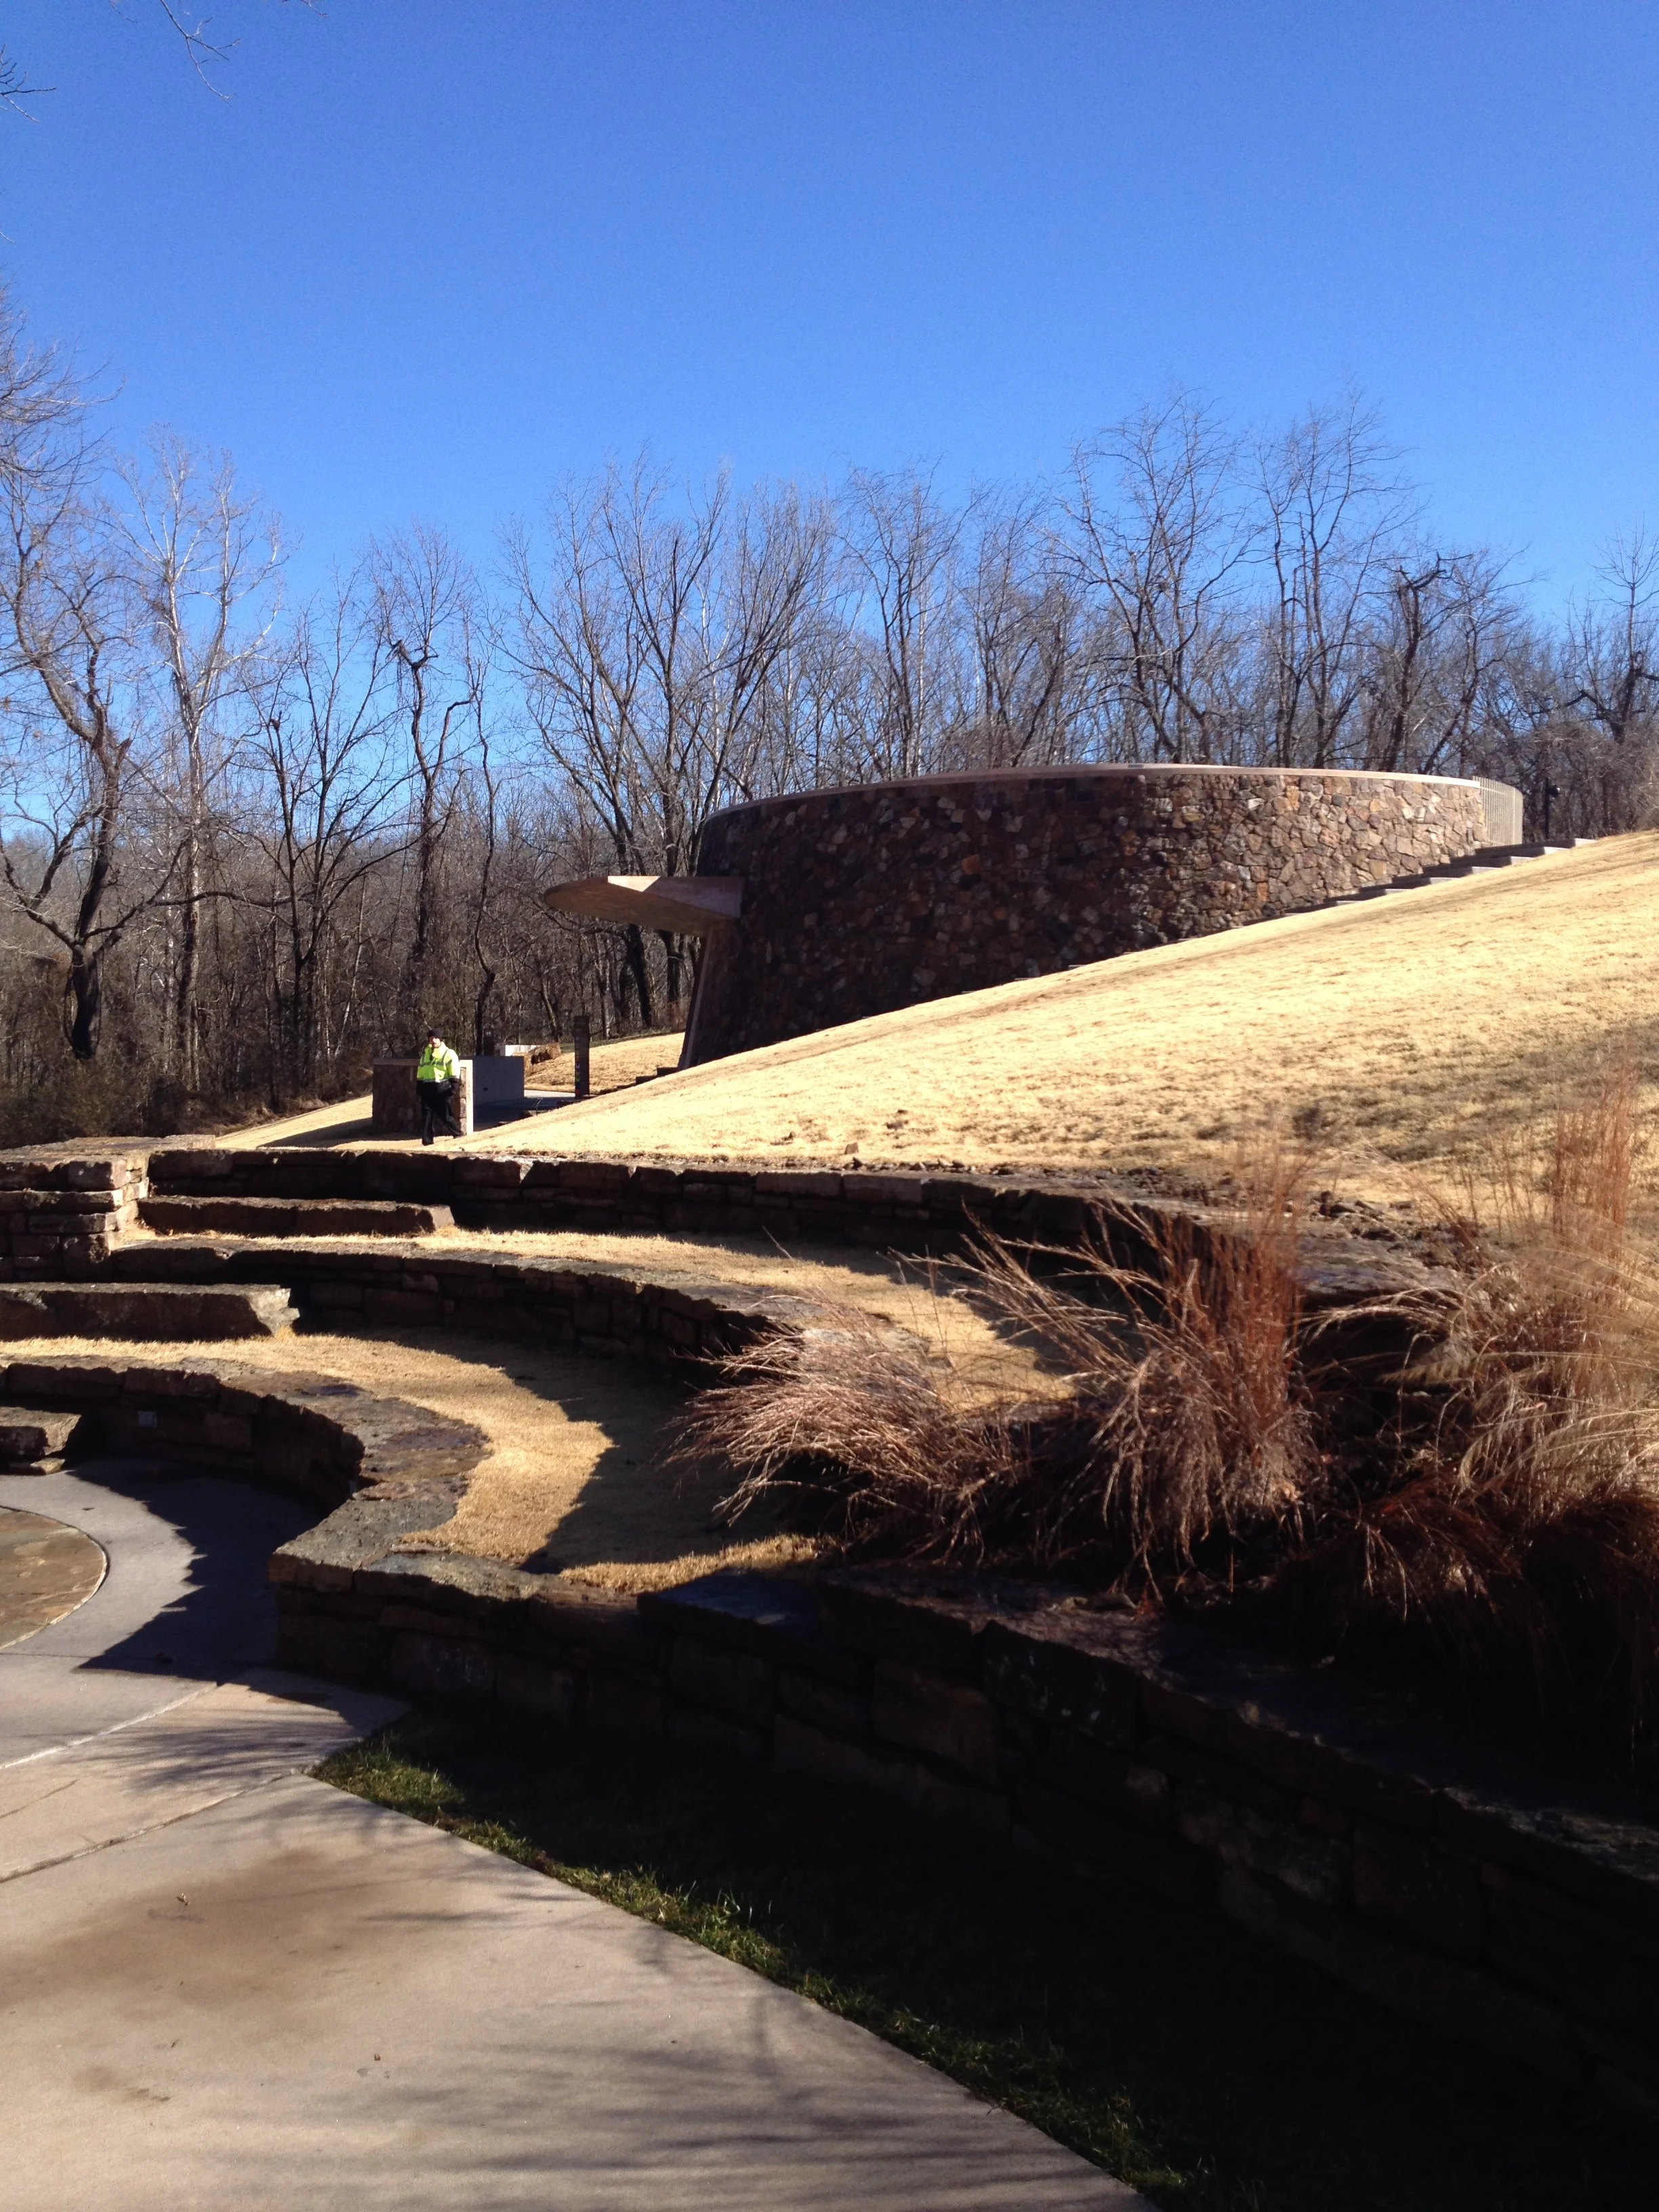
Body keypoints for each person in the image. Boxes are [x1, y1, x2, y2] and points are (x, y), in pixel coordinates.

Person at [415, 1029, 462, 1145]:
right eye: (431, 1038)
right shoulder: (425, 1055)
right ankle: (427, 1141)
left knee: (446, 1115)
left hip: (443, 1089)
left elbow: (454, 1071)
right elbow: (421, 1071)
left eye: (436, 1038)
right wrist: (420, 1086)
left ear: (440, 1039)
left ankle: (458, 1134)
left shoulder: (449, 1053)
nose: (433, 1040)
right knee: (427, 1116)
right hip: (427, 1089)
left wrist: (453, 1087)